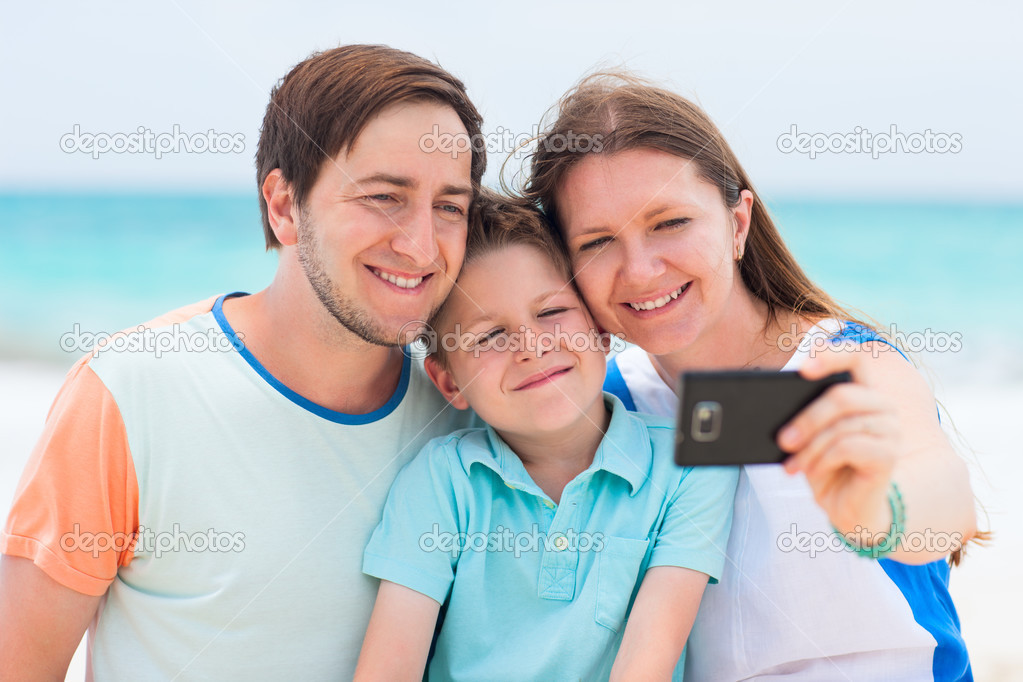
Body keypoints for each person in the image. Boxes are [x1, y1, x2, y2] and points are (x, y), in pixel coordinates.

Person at [0, 45, 486, 680]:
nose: (421, 245)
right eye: (383, 196)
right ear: (284, 206)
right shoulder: (129, 391)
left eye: (449, 206)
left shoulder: (468, 413)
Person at [522, 72, 979, 680]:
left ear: (737, 224)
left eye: (669, 222)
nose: (640, 269)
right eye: (599, 241)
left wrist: (877, 507)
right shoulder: (606, 403)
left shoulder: (847, 365)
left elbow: (941, 503)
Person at [353, 191, 739, 681]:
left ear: (600, 329)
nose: (532, 347)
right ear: (450, 382)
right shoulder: (444, 480)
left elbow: (647, 665)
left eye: (552, 312)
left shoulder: (690, 462)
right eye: (490, 337)